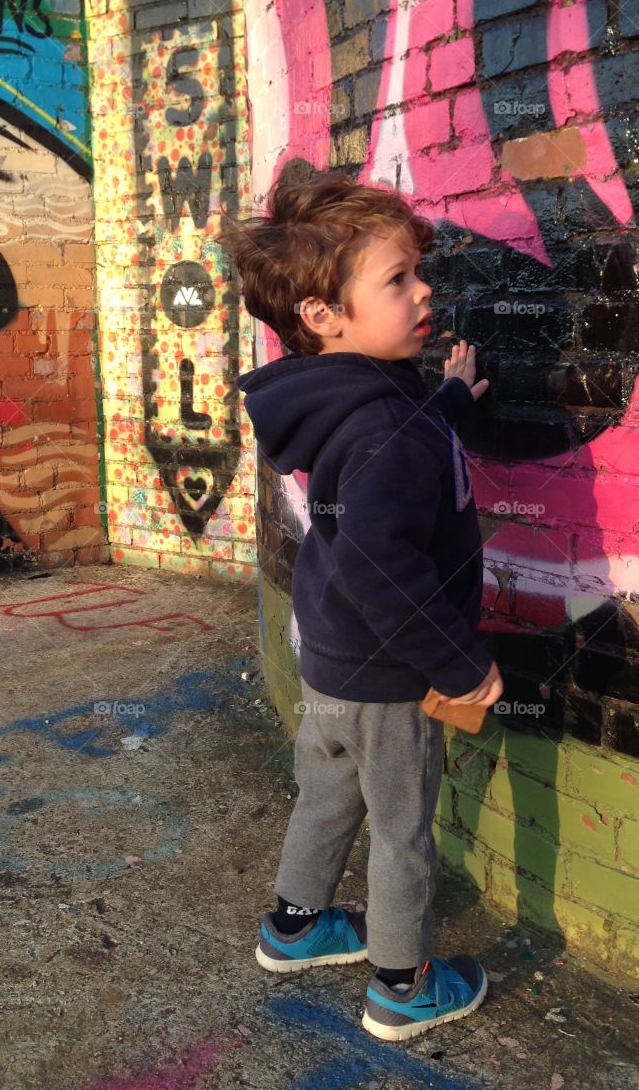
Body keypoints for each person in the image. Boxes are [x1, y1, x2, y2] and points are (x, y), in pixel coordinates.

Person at [224, 170, 503, 1042]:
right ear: (322, 316)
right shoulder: (389, 428)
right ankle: (400, 986)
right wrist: (462, 666)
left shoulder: (347, 398)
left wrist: (446, 404)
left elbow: (383, 435)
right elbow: (385, 563)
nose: (423, 291)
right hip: (390, 680)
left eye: (418, 273)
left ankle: (296, 929)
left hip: (331, 663)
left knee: (325, 796)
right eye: (397, 281)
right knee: (401, 833)